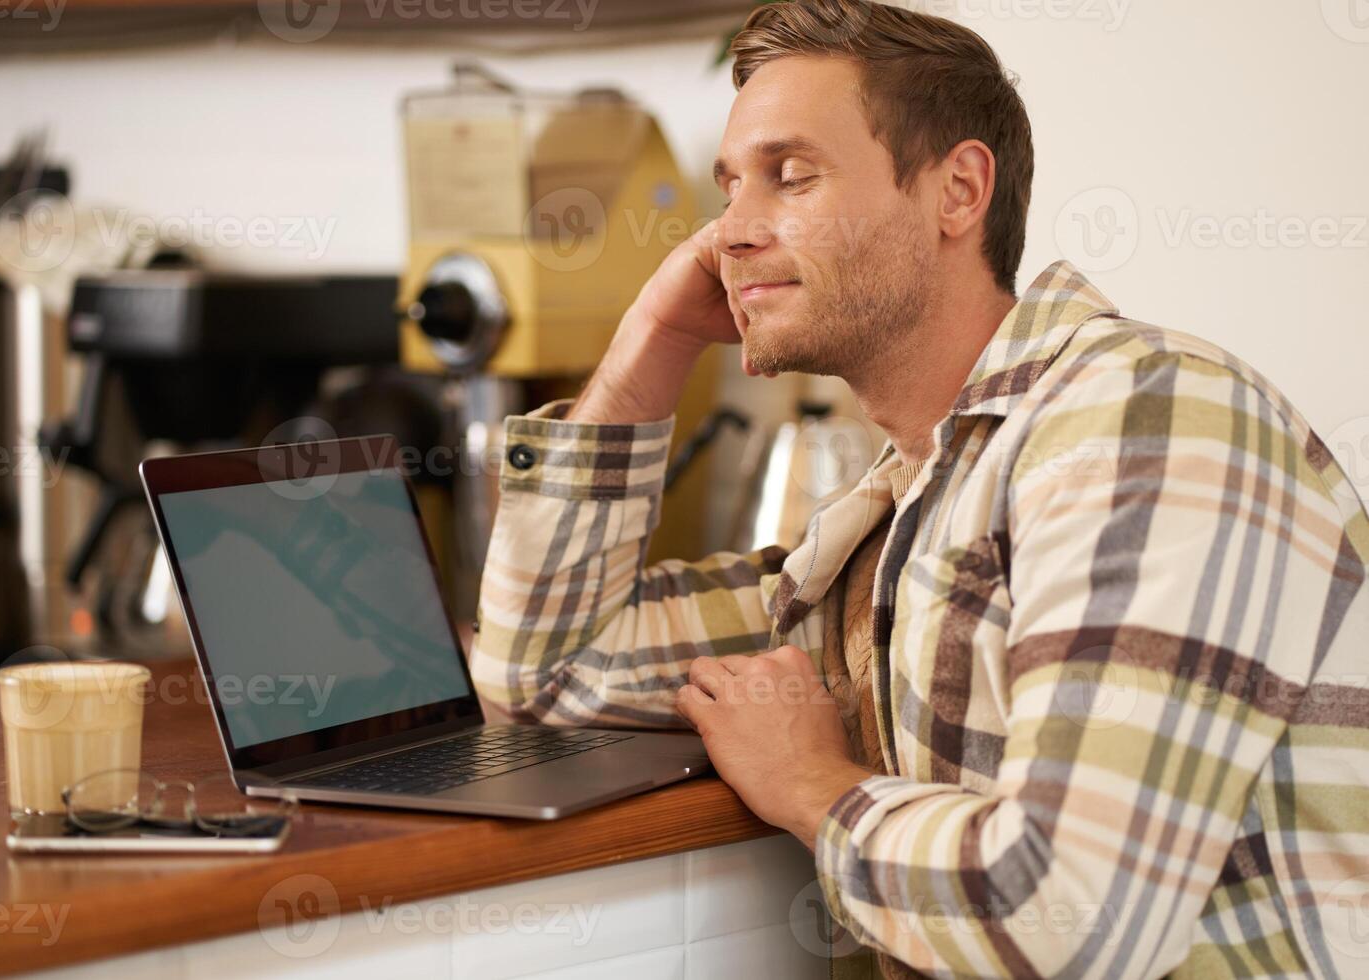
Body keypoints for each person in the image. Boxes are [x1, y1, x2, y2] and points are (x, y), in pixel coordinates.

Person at [472, 2, 1369, 976]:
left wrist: (811, 782)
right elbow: (546, 668)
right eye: (731, 187)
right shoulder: (900, 520)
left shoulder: (1151, 424)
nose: (730, 232)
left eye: (791, 175)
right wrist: (656, 337)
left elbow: (1073, 918)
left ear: (957, 190)